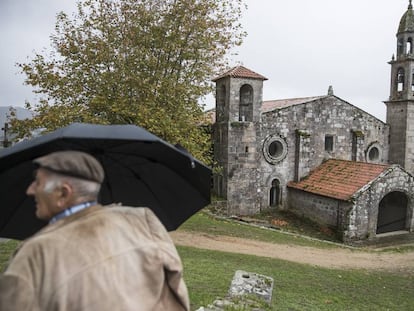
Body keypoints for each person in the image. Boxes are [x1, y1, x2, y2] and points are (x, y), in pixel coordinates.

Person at [0, 150, 190, 311]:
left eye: (38, 183)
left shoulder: (35, 253)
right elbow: (176, 294)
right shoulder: (142, 220)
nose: (30, 190)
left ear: (63, 193)